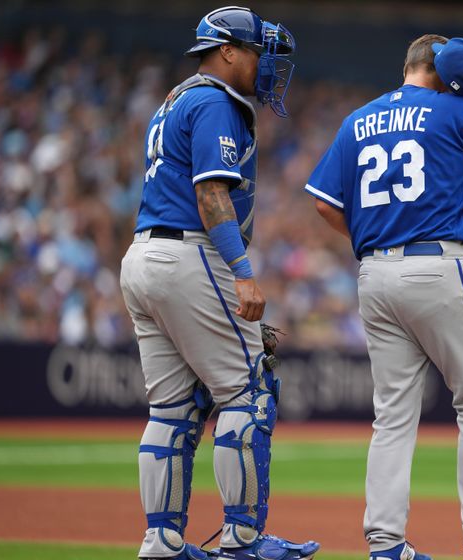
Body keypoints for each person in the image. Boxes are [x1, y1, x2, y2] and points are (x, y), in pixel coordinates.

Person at [304, 35, 463, 560]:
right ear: (445, 69)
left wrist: (371, 239)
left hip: (374, 274)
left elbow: (322, 204)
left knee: (393, 417)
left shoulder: (358, 119)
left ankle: (385, 545)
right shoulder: (455, 109)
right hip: (436, 266)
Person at [119, 7, 320, 560]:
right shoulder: (214, 100)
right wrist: (244, 276)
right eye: (258, 53)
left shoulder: (176, 98)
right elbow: (212, 195)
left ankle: (161, 540)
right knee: (250, 393)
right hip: (191, 252)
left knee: (173, 409)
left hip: (143, 255)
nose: (266, 66)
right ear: (228, 50)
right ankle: (245, 541)